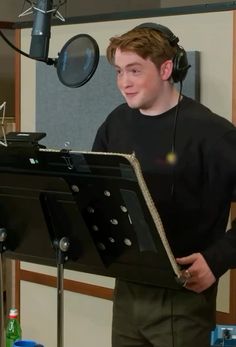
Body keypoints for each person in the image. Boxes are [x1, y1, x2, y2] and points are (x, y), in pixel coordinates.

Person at [92, 22, 236, 347]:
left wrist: (218, 259)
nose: (124, 83)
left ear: (167, 68)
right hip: (128, 290)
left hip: (183, 297)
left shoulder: (212, 133)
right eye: (118, 71)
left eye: (134, 70)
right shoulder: (115, 123)